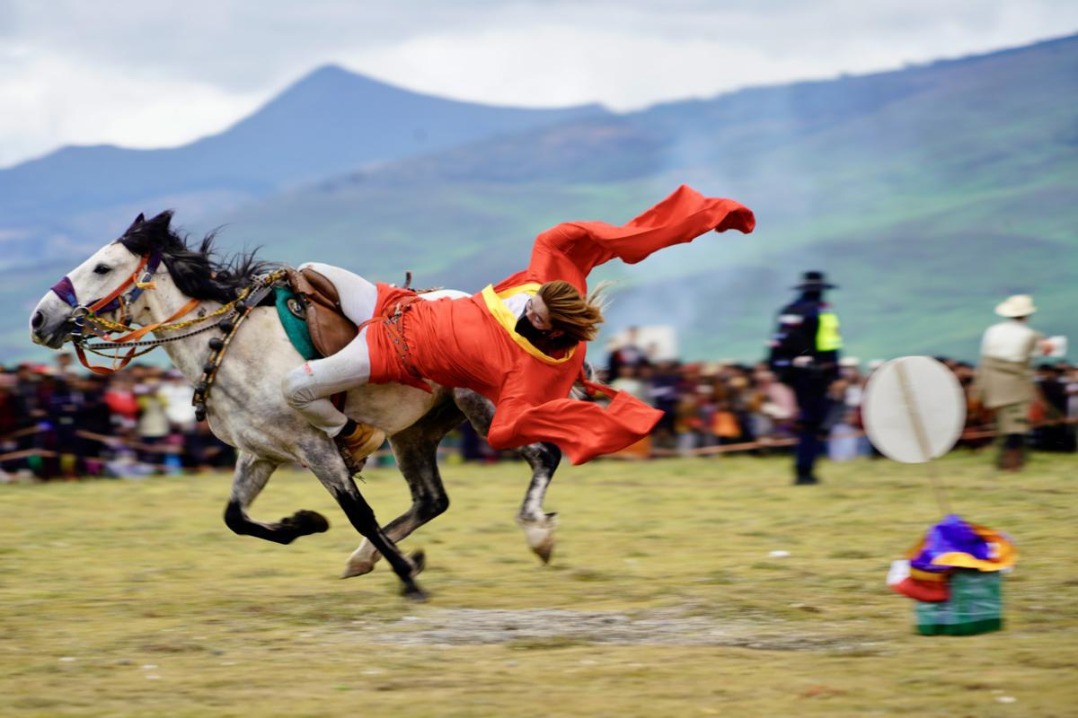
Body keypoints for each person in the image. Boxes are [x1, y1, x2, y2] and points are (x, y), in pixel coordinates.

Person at [281, 185, 755, 471]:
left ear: (551, 332)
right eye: (533, 305)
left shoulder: (532, 371)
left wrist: (573, 418)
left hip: (391, 351)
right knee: (310, 268)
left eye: (536, 319)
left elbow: (505, 429)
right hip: (397, 303)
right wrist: (701, 217)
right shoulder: (543, 287)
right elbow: (560, 240)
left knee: (296, 388)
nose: (528, 311)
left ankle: (352, 436)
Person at [767, 270, 843, 485]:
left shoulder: (788, 311)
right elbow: (830, 345)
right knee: (813, 423)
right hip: (815, 375)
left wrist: (781, 369)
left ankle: (804, 466)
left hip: (790, 372)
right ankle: (805, 470)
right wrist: (834, 374)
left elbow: (777, 344)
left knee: (805, 423)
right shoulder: (822, 312)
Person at [974, 294, 1056, 470]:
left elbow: (985, 358)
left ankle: (1005, 460)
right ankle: (1012, 463)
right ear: (1027, 315)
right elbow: (1036, 357)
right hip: (1015, 384)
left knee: (1002, 424)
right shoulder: (1031, 335)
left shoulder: (992, 331)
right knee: (1016, 426)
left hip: (989, 381)